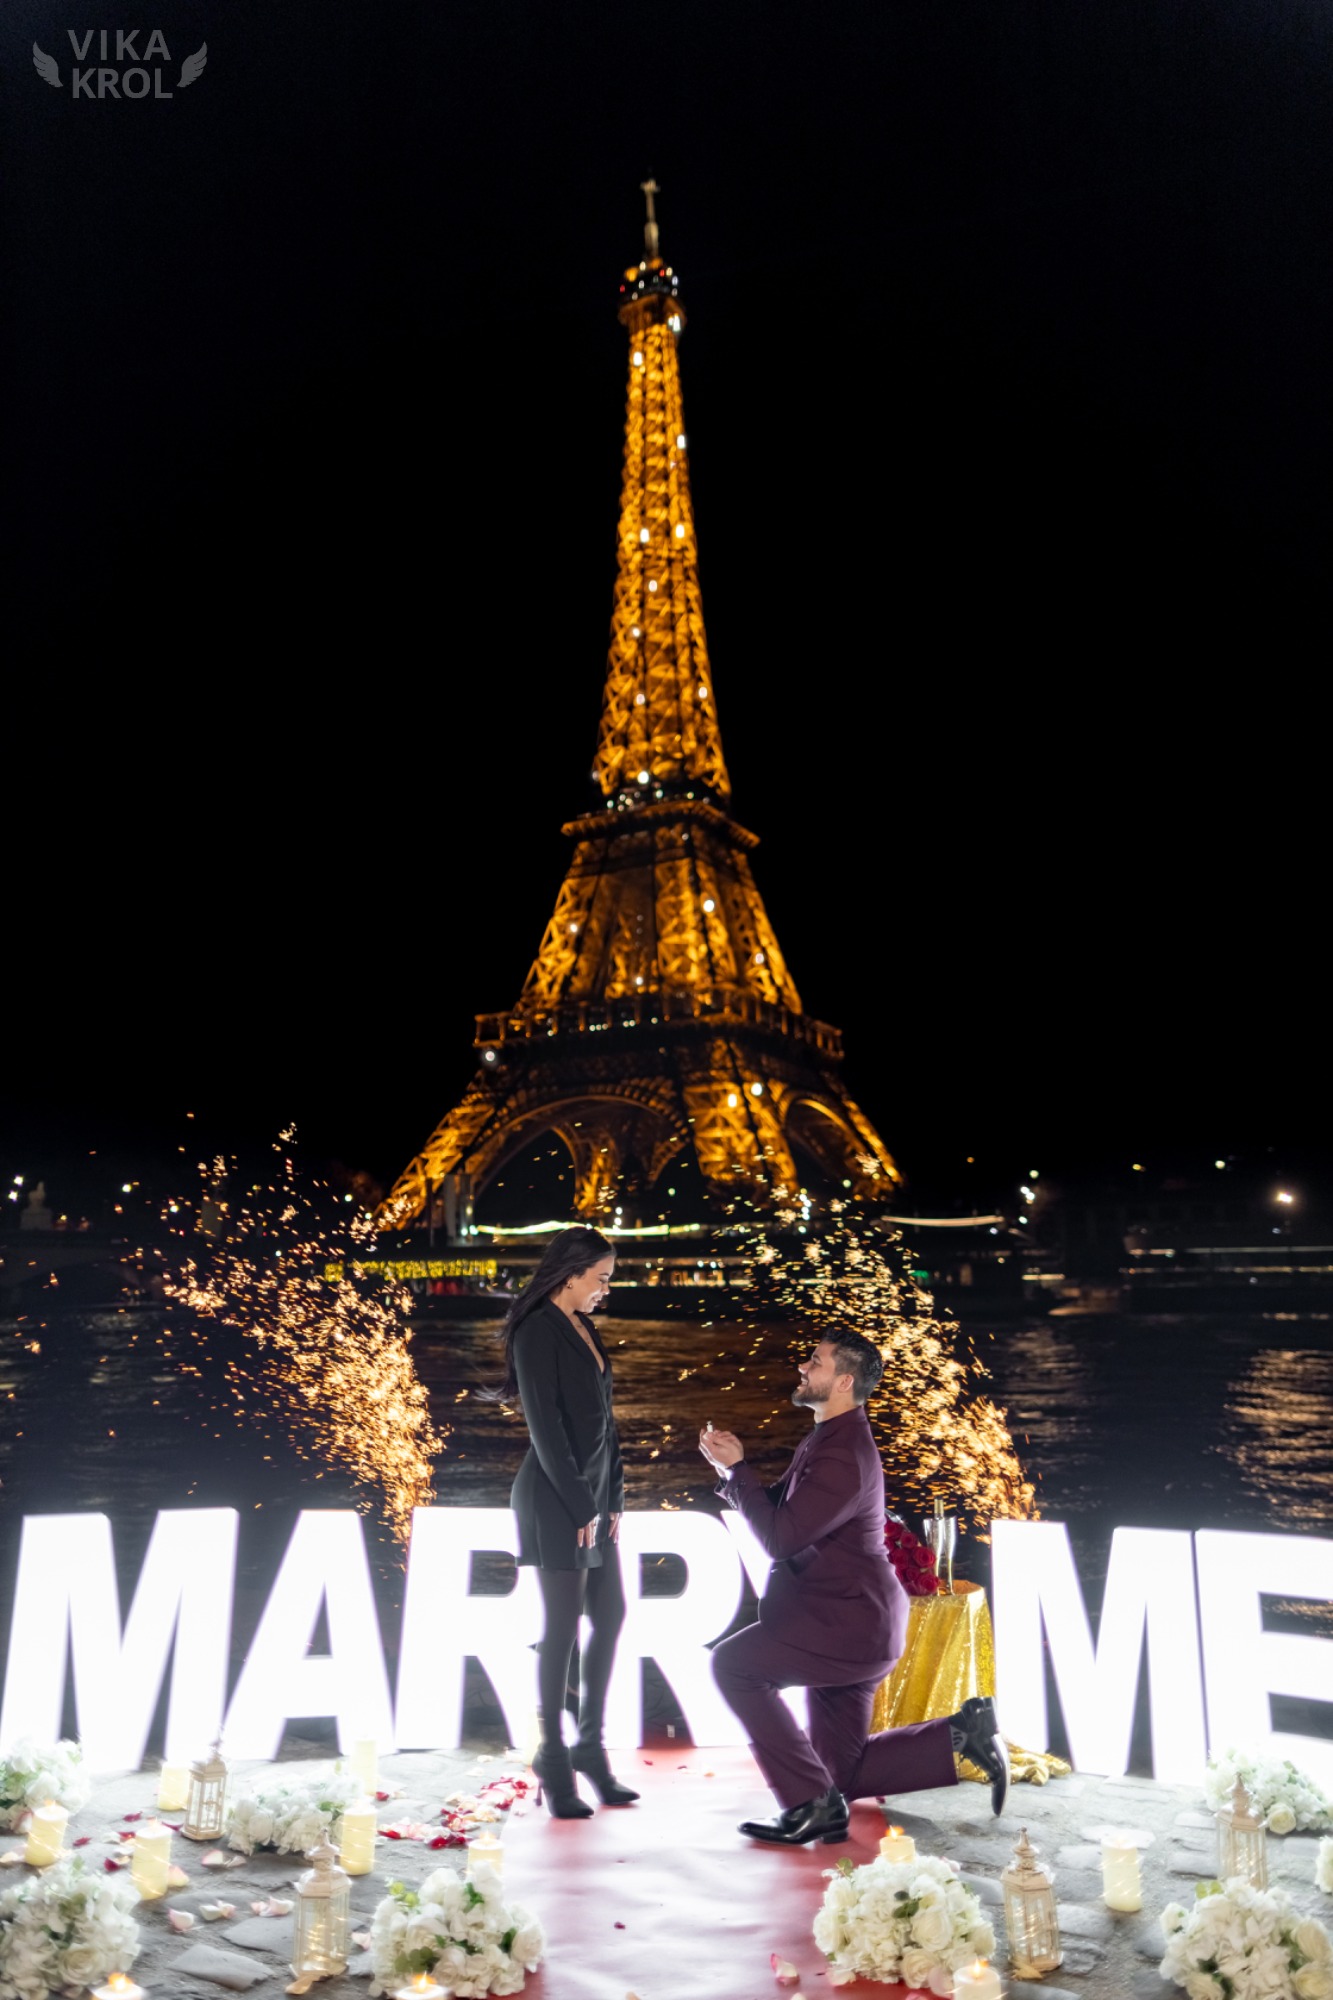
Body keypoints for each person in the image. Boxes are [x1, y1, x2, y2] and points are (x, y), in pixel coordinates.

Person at [700, 1328, 1008, 1845]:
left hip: (844, 1626)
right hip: (849, 1621)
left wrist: (738, 1471)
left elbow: (780, 1539)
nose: (803, 1367)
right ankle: (960, 1735)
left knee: (733, 1666)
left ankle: (808, 1804)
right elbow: (782, 1509)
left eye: (815, 1362)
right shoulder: (830, 1434)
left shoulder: (843, 1452)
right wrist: (730, 1473)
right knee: (837, 1776)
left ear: (843, 1381)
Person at [498, 1224, 640, 1818]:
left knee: (609, 1614)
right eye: (602, 1278)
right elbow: (547, 1430)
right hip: (555, 1498)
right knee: (562, 1627)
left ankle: (589, 1748)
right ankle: (553, 1759)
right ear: (572, 1271)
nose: (607, 1289)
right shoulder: (537, 1331)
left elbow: (603, 1426)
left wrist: (613, 1501)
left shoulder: (584, 1326)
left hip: (592, 1498)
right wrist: (583, 1506)